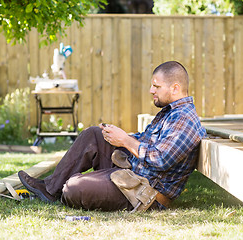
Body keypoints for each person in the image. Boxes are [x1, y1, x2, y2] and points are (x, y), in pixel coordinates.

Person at [18, 61, 206, 211]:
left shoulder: (184, 120)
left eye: (156, 86)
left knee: (73, 188)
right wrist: (117, 134)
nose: (151, 90)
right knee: (94, 134)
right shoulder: (170, 113)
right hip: (133, 170)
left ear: (174, 88)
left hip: (143, 191)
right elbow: (145, 138)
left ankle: (65, 188)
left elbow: (161, 158)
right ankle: (50, 189)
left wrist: (125, 140)